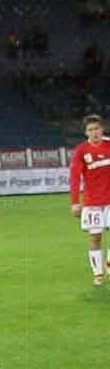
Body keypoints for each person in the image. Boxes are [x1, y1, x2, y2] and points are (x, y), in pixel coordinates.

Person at [68, 110, 110, 288]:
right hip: (92, 202)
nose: (95, 132)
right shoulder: (81, 151)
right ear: (86, 132)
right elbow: (75, 177)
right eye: (91, 129)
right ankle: (98, 274)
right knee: (95, 238)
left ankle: (109, 266)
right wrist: (75, 202)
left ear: (102, 129)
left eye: (97, 128)